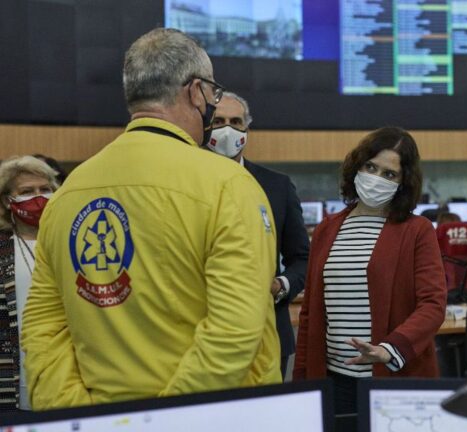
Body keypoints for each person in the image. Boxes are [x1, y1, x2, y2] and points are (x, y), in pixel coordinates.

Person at [21, 28, 281, 410]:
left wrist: (82, 412)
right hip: (209, 416)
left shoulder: (68, 193)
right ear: (195, 92)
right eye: (212, 93)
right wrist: (163, 419)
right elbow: (235, 331)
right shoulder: (228, 184)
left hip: (101, 416)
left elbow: (43, 328)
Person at [293, 127, 447, 417]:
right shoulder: (328, 229)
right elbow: (310, 314)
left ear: (403, 182)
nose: (376, 179)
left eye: (389, 174)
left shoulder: (417, 231)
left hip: (392, 378)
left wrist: (390, 348)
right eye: (371, 167)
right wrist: (302, 379)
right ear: (357, 167)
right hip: (333, 379)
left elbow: (433, 305)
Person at [206, 91, 309, 378]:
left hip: (268, 333)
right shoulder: (184, 181)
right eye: (219, 121)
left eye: (237, 122)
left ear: (247, 129)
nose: (228, 129)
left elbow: (302, 258)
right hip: (201, 333)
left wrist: (280, 285)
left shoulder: (278, 186)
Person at [0, 156, 59, 411]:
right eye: (26, 191)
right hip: (14, 375)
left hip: (63, 371)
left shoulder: (69, 241)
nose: (38, 197)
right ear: (6, 200)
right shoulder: (3, 248)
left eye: (45, 189)